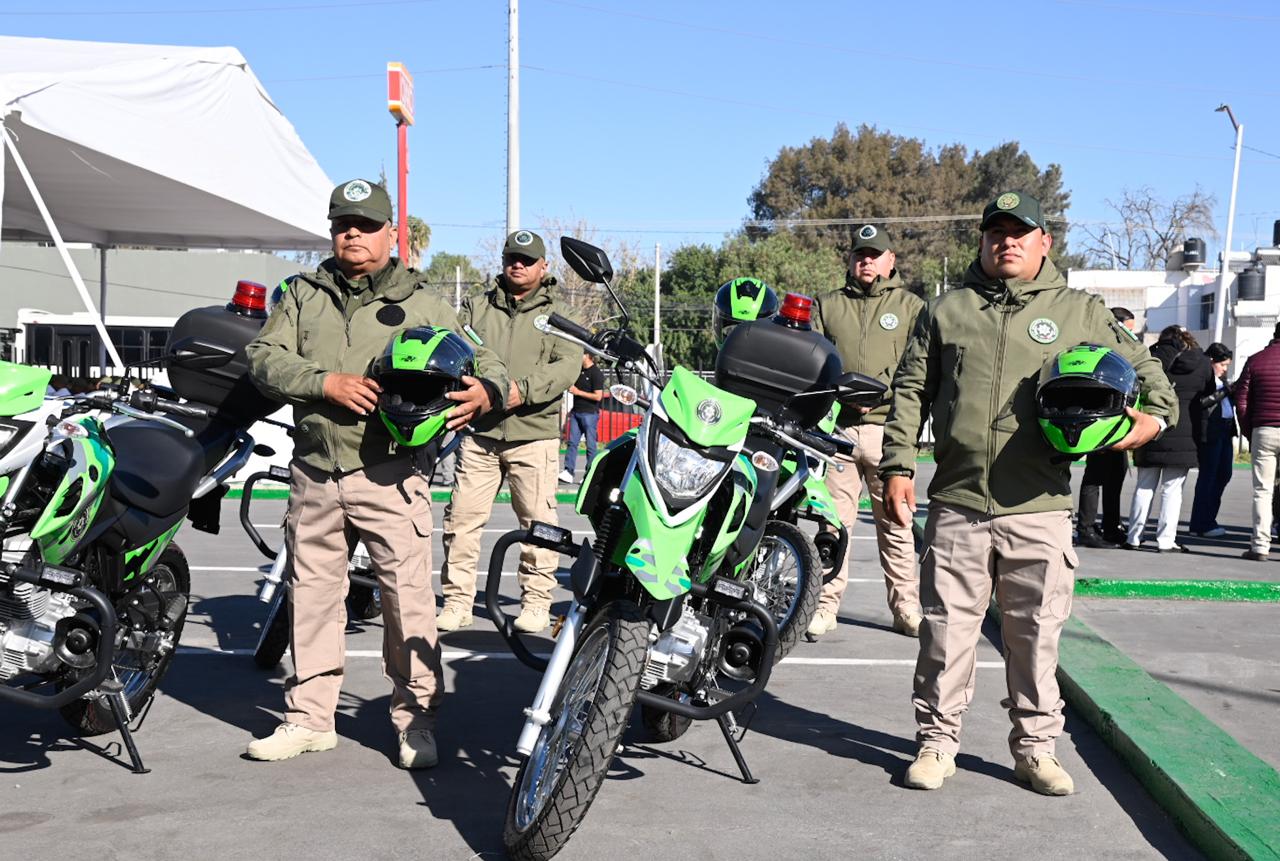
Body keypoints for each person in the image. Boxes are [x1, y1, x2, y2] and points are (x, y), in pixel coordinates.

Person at [880, 191, 1176, 796]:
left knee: (1036, 636)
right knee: (944, 633)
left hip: (1039, 506)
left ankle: (1036, 750)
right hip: (959, 501)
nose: (1007, 242)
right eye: (997, 232)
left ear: (1045, 242)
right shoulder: (947, 310)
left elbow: (1149, 376)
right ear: (983, 240)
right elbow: (910, 390)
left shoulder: (1080, 311)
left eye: (1020, 232)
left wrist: (1154, 420)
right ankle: (936, 744)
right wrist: (897, 466)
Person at [243, 179, 506, 768]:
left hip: (390, 474)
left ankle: (416, 724)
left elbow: (485, 360)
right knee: (311, 598)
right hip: (315, 472)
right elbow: (262, 357)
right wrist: (324, 383)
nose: (353, 235)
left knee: (407, 604)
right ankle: (310, 720)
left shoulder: (425, 302)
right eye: (343, 225)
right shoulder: (302, 295)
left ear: (392, 234)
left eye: (365, 225)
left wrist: (485, 392)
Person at [435, 230, 582, 634]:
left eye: (527, 259)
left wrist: (519, 391)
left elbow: (566, 367)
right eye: (512, 258)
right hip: (480, 434)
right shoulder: (476, 306)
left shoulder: (561, 314)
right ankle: (458, 601)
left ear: (544, 266)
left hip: (533, 435)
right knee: (460, 521)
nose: (518, 264)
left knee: (539, 526)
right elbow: (458, 349)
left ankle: (536, 602)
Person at [810, 224, 925, 638]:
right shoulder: (828, 305)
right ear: (851, 259)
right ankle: (824, 606)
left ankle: (906, 607)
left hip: (889, 433)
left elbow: (918, 366)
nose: (867, 261)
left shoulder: (911, 307)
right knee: (832, 527)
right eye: (860, 254)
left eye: (875, 255)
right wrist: (842, 394)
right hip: (837, 432)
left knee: (897, 525)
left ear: (891, 259)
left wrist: (878, 394)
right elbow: (815, 361)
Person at [1124, 326, 1214, 553]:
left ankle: (1134, 537)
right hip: (1186, 433)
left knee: (1144, 486)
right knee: (1172, 490)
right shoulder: (1202, 363)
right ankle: (1165, 540)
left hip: (1152, 427)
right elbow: (1208, 393)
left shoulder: (1150, 359)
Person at [1075, 308, 1138, 548]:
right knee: (1095, 476)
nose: (1131, 335)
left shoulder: (1121, 351)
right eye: (1128, 329)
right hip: (1100, 420)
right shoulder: (1097, 350)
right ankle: (1086, 529)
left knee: (1116, 476)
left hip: (1119, 421)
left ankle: (1111, 526)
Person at [1232, 322, 1280, 561]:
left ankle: (1260, 546)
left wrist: (1250, 431)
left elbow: (1241, 401)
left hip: (1264, 429)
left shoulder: (1256, 360)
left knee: (1263, 490)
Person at [1188, 342, 1236, 538]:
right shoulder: (1204, 378)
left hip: (1226, 430)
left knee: (1224, 474)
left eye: (1227, 366)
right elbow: (1200, 402)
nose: (1224, 369)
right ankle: (1201, 523)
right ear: (1211, 361)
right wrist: (1225, 392)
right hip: (1210, 432)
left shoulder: (1222, 380)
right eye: (1222, 365)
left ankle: (1209, 519)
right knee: (1208, 477)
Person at [560, 352, 606, 484]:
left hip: (590, 414)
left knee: (590, 445)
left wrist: (578, 392)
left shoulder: (596, 373)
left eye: (581, 353)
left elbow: (598, 396)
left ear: (587, 355)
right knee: (572, 443)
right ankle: (568, 472)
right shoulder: (578, 371)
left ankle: (589, 475)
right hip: (576, 412)